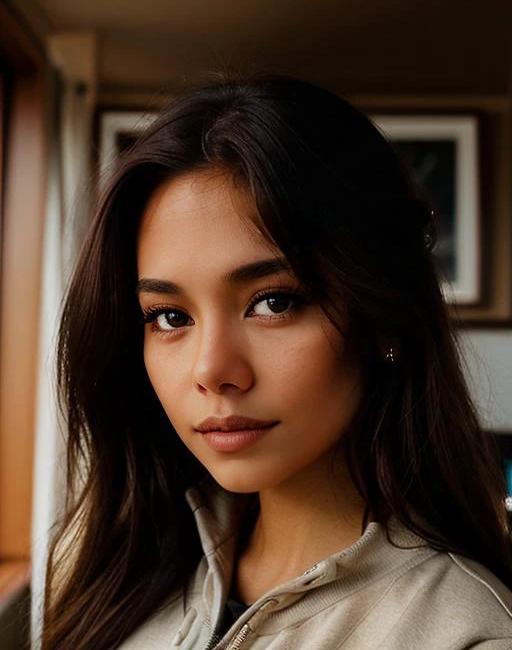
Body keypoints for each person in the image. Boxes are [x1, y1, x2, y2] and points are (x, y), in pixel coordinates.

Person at [42, 75, 512, 650]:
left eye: (274, 302)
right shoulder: (110, 577)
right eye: (169, 316)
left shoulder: (466, 634)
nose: (212, 370)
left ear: (385, 317)